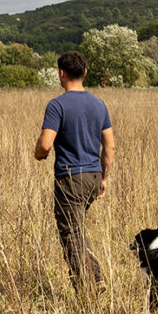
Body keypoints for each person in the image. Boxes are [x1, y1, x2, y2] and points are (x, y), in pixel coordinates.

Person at [34, 51, 115, 294]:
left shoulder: (57, 105)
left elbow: (46, 144)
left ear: (61, 74)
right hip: (92, 177)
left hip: (71, 178)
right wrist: (104, 178)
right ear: (85, 73)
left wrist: (39, 154)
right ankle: (94, 279)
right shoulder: (99, 104)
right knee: (77, 228)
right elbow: (109, 146)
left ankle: (89, 285)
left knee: (70, 234)